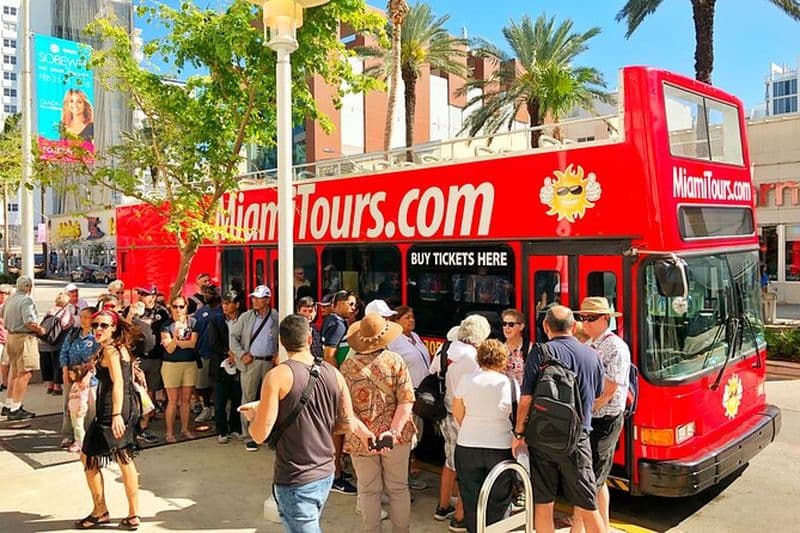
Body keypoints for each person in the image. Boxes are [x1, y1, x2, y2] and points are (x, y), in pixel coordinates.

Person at [240, 314, 374, 533]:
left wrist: (253, 417)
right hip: (325, 471)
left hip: (295, 476)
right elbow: (348, 422)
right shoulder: (334, 374)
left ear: (282, 342)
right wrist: (369, 435)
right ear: (310, 339)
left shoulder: (277, 376)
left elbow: (259, 435)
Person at [512, 306, 605, 533]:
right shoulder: (592, 355)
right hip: (577, 439)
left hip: (542, 436)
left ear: (546, 327)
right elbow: (598, 393)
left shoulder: (540, 352)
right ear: (573, 326)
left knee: (543, 505)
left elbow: (526, 399)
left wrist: (519, 433)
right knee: (588, 505)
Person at [341, 313, 417, 533]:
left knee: (368, 491)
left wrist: (364, 433)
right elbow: (406, 400)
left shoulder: (347, 367)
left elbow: (344, 410)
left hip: (361, 439)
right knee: (398, 489)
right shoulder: (395, 361)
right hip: (395, 438)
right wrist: (393, 431)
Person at [76, 309, 140, 530]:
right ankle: (132, 514)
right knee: (124, 458)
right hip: (126, 406)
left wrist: (116, 415)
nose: (98, 329)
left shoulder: (111, 351)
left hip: (112, 409)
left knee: (88, 457)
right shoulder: (119, 348)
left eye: (104, 325)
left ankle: (101, 511)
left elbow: (118, 382)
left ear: (114, 328)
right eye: (95, 325)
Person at [570, 298, 630, 533]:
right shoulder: (590, 342)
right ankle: (602, 525)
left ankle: (578, 528)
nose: (586, 322)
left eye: (591, 318)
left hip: (605, 419)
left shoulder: (615, 347)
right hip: (593, 418)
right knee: (598, 478)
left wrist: (586, 410)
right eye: (583, 317)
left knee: (589, 480)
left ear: (606, 318)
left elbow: (609, 389)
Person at [428, 315, 492, 532]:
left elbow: (433, 372)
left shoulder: (445, 349)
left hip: (445, 413)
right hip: (466, 418)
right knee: (468, 467)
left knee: (450, 461)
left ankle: (443, 506)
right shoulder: (474, 358)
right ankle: (460, 517)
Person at [452, 339, 519, 533]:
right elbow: (516, 414)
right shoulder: (510, 384)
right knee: (499, 498)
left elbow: (457, 411)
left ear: (479, 358)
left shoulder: (466, 380)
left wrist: (470, 427)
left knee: (471, 498)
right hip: (500, 446)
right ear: (503, 360)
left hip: (467, 444)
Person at [229, 285, 279, 451]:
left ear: (267, 299)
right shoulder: (246, 316)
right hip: (251, 362)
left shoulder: (276, 316)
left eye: (259, 298)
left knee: (269, 398)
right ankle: (248, 435)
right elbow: (233, 337)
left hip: (270, 362)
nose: (255, 301)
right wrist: (242, 354)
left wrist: (278, 353)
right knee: (248, 398)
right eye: (254, 298)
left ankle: (267, 432)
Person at [387, 305, 431, 491]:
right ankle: (401, 480)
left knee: (415, 437)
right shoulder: (394, 341)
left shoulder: (415, 337)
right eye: (406, 318)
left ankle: (406, 475)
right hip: (406, 394)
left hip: (421, 394)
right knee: (406, 438)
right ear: (396, 321)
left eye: (412, 317)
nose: (411, 320)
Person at [320, 289, 358, 493]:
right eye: (350, 304)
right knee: (337, 430)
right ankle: (335, 475)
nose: (353, 308)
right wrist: (340, 382)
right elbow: (329, 356)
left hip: (334, 381)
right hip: (337, 382)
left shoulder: (334, 322)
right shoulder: (338, 325)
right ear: (339, 304)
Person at [1, 276, 45, 420]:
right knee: (25, 373)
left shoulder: (10, 299)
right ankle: (16, 407)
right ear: (29, 287)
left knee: (15, 371)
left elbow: (2, 315)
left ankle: (9, 405)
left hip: (11, 336)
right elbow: (29, 321)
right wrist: (40, 330)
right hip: (24, 338)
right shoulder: (26, 300)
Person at [59, 306, 99, 449]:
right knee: (69, 406)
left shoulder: (96, 336)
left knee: (90, 408)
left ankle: (89, 435)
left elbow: (97, 358)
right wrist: (64, 370)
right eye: (81, 317)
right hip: (72, 375)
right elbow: (64, 352)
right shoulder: (73, 334)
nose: (82, 320)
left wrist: (88, 375)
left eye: (86, 317)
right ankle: (68, 434)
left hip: (90, 378)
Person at [133, 286, 169, 444]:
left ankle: (145, 423)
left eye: (150, 295)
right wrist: (132, 314)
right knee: (139, 392)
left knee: (152, 391)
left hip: (156, 357)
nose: (148, 298)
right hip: (138, 358)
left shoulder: (161, 311)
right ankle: (138, 425)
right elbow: (125, 329)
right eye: (144, 295)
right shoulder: (133, 310)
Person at [160, 295, 198, 443]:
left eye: (181, 306)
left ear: (186, 307)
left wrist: (176, 342)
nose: (178, 309)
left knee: (186, 400)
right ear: (170, 308)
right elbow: (169, 349)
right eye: (175, 306)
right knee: (172, 401)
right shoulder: (166, 325)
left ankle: (185, 429)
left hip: (189, 364)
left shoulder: (193, 322)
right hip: (171, 365)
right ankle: (169, 433)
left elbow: (193, 343)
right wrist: (176, 338)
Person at [207, 290, 242, 443]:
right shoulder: (216, 320)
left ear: (237, 304)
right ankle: (222, 431)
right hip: (220, 365)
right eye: (223, 303)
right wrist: (228, 352)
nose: (225, 306)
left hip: (239, 364)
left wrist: (238, 354)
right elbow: (213, 342)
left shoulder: (244, 319)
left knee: (237, 398)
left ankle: (235, 428)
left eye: (228, 303)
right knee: (220, 400)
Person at [38, 291, 75, 396]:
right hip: (57, 344)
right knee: (57, 365)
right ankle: (57, 387)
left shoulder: (50, 311)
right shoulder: (66, 313)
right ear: (67, 303)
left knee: (47, 365)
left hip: (44, 343)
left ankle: (49, 386)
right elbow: (66, 325)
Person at [192, 285, 219, 424]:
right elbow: (194, 331)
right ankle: (206, 408)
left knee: (216, 384)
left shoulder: (222, 310)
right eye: (206, 293)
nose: (207, 295)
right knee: (203, 385)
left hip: (219, 354)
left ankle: (216, 409)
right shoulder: (201, 311)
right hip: (203, 352)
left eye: (210, 293)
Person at [66, 363, 94, 453]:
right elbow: (70, 396)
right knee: (75, 425)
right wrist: (69, 407)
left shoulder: (82, 385)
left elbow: (83, 397)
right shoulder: (74, 384)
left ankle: (81, 442)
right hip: (73, 408)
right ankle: (77, 441)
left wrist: (81, 408)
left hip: (79, 408)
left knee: (79, 426)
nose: (70, 376)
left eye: (72, 374)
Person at [0, 284, 11, 393]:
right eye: (1, 293)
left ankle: (5, 382)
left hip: (8, 338)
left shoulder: (10, 307)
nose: (3, 296)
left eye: (6, 293)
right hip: (1, 339)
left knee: (5, 363)